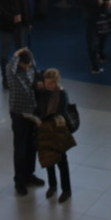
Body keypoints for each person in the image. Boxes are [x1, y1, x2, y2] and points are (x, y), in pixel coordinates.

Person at [6, 48, 42, 195]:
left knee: (31, 147)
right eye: (25, 64)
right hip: (19, 114)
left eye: (29, 64)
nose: (27, 67)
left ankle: (29, 174)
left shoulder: (31, 67)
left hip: (32, 112)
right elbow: (10, 66)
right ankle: (19, 181)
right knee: (20, 149)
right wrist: (16, 54)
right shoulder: (13, 73)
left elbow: (34, 68)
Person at [35, 69, 74, 201]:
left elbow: (61, 113)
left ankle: (66, 190)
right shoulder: (43, 92)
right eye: (46, 82)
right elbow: (38, 108)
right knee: (48, 160)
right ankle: (52, 185)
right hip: (45, 130)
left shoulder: (62, 94)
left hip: (57, 132)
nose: (48, 85)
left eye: (50, 83)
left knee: (62, 161)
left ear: (56, 82)